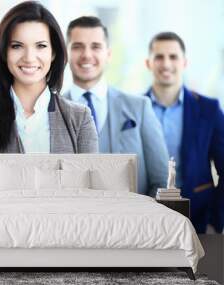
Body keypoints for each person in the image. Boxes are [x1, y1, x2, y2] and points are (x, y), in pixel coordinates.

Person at [0, 1, 98, 202]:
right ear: (4, 52)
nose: (29, 57)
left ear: (53, 53)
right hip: (3, 231)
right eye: (17, 46)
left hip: (68, 231)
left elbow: (91, 192)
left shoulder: (80, 118)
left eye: (41, 46)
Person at [64, 16, 168, 197]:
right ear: (66, 54)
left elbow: (161, 181)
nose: (87, 55)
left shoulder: (140, 108)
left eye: (96, 46)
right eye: (77, 46)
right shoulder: (50, 112)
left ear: (108, 54)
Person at [145, 31, 224, 233]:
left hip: (198, 219)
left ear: (184, 63)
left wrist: (215, 222)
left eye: (173, 57)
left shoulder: (209, 109)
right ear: (148, 63)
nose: (166, 64)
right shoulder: (135, 109)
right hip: (145, 221)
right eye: (159, 57)